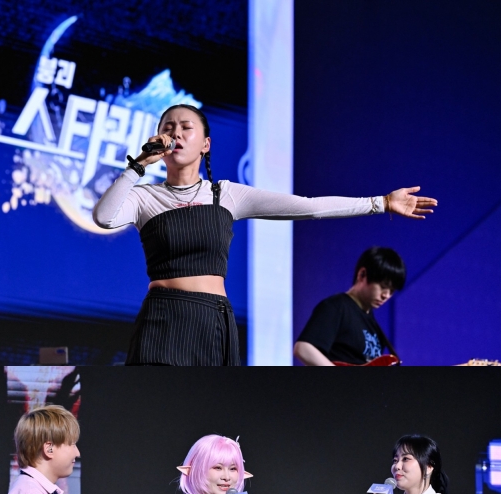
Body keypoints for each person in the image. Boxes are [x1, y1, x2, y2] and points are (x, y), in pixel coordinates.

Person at [92, 104, 437, 365]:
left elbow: (309, 207)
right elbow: (104, 218)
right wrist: (139, 164)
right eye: (168, 128)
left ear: (206, 144)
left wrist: (380, 202)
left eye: (186, 127)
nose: (176, 134)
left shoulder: (224, 194)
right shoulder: (145, 197)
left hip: (212, 318)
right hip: (163, 317)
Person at [294, 246, 406, 366]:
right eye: (383, 287)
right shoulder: (336, 307)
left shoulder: (375, 327)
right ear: (362, 274)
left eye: (392, 291)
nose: (386, 295)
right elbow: (303, 348)